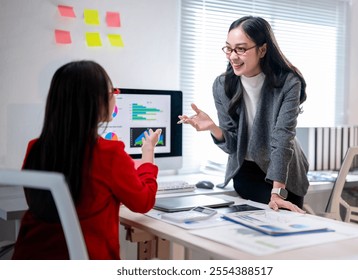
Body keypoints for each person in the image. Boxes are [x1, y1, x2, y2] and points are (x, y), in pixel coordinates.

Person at [12, 60, 162, 259]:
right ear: (97, 102)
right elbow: (143, 202)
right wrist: (148, 154)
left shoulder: (36, 148)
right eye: (112, 92)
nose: (115, 98)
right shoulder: (109, 154)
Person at [178, 16, 309, 213]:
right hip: (246, 172)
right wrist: (214, 128)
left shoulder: (288, 83)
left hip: (284, 173)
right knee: (251, 236)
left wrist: (277, 192)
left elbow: (283, 138)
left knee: (284, 231)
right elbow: (232, 145)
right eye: (229, 49)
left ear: (262, 50)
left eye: (241, 49)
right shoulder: (222, 85)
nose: (233, 56)